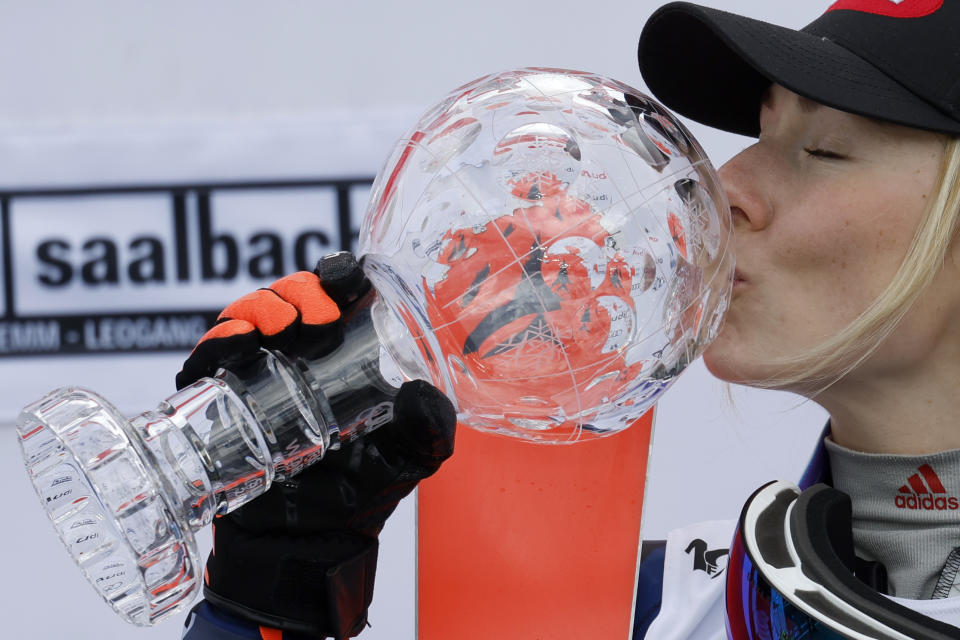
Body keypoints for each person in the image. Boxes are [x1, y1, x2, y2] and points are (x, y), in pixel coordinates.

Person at [182, 1, 960, 638]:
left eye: (823, 150)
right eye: (761, 133)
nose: (726, 186)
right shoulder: (653, 609)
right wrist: (269, 603)